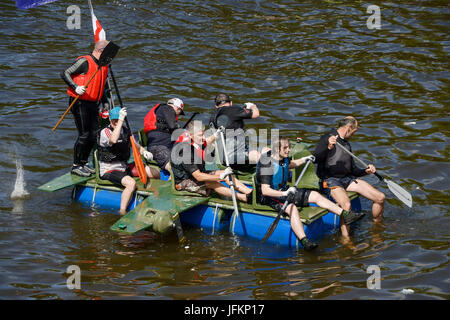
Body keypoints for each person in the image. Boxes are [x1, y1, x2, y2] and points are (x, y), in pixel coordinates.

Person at [256, 136, 365, 250]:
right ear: (276, 150)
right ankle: (305, 241)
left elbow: (291, 164)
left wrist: (305, 159)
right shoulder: (266, 163)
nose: (288, 150)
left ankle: (346, 214)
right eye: (285, 148)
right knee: (291, 207)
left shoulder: (284, 157)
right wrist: (285, 193)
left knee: (315, 195)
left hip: (284, 190)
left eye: (289, 147)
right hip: (268, 197)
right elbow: (265, 190)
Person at [313, 116, 386, 225]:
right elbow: (315, 159)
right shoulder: (327, 138)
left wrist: (366, 171)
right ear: (348, 128)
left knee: (380, 197)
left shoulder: (346, 144)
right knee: (346, 205)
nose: (354, 134)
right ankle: (346, 239)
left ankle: (376, 226)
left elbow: (353, 170)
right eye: (354, 131)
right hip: (329, 181)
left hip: (346, 179)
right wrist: (327, 147)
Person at [61, 40, 111, 177]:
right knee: (84, 134)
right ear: (100, 51)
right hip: (79, 102)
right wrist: (75, 87)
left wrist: (104, 101)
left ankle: (83, 162)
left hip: (93, 103)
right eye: (108, 53)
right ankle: (76, 165)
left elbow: (103, 85)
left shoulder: (103, 65)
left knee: (94, 133)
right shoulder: (85, 61)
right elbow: (65, 73)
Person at [170, 120, 253, 202]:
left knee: (227, 174)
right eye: (200, 135)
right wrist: (220, 177)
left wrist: (217, 134)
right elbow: (198, 176)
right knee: (213, 183)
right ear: (190, 135)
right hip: (183, 182)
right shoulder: (185, 151)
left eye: (203, 134)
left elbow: (206, 141)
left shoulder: (194, 140)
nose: (203, 138)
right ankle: (244, 197)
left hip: (196, 174)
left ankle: (250, 193)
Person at [98, 107, 159, 215]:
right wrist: (121, 120)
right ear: (110, 120)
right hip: (109, 169)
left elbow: (136, 146)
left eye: (118, 119)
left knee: (154, 172)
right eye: (114, 120)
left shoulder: (126, 131)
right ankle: (122, 211)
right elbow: (113, 139)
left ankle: (155, 198)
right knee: (131, 184)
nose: (116, 122)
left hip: (124, 166)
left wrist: (144, 152)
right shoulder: (105, 132)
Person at [209, 93, 268, 170]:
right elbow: (256, 114)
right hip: (232, 157)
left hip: (222, 158)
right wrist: (252, 106)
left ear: (216, 106)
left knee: (266, 150)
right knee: (260, 154)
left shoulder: (212, 118)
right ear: (231, 103)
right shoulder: (234, 109)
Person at [143, 98, 185, 172]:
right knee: (174, 165)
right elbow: (173, 126)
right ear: (178, 108)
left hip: (162, 146)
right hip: (159, 148)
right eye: (180, 112)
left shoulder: (161, 111)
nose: (178, 115)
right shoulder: (168, 108)